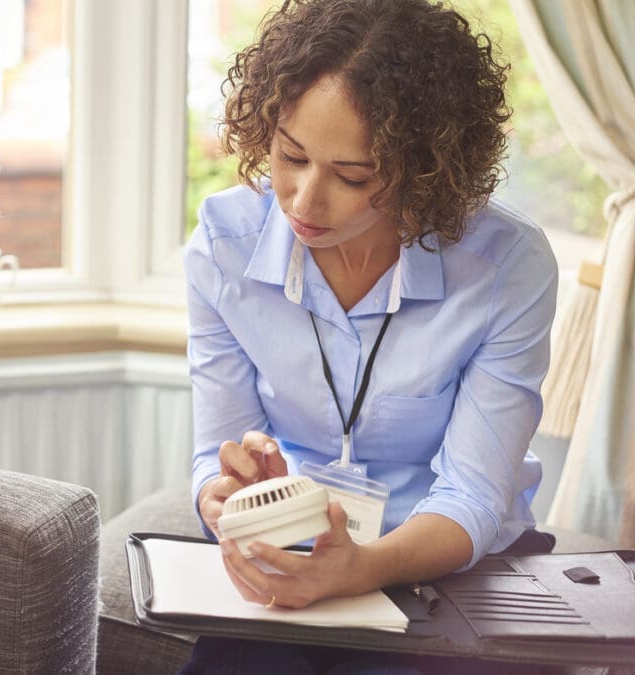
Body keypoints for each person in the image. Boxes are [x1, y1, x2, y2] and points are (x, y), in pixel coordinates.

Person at [184, 0, 558, 671]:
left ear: (424, 169)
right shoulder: (223, 248)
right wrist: (225, 491)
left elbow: (472, 494)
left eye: (353, 176)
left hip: (450, 569)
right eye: (290, 155)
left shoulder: (506, 266)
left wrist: (360, 567)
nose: (302, 201)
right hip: (297, 551)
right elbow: (217, 453)